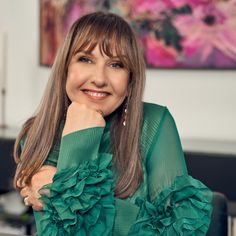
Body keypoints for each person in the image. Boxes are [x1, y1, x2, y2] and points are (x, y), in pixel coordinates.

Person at [14, 11, 212, 235]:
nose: (99, 78)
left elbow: (180, 230)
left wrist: (61, 191)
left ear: (130, 80)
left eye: (116, 64)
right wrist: (79, 139)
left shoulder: (154, 123)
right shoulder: (39, 133)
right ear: (65, 68)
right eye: (86, 59)